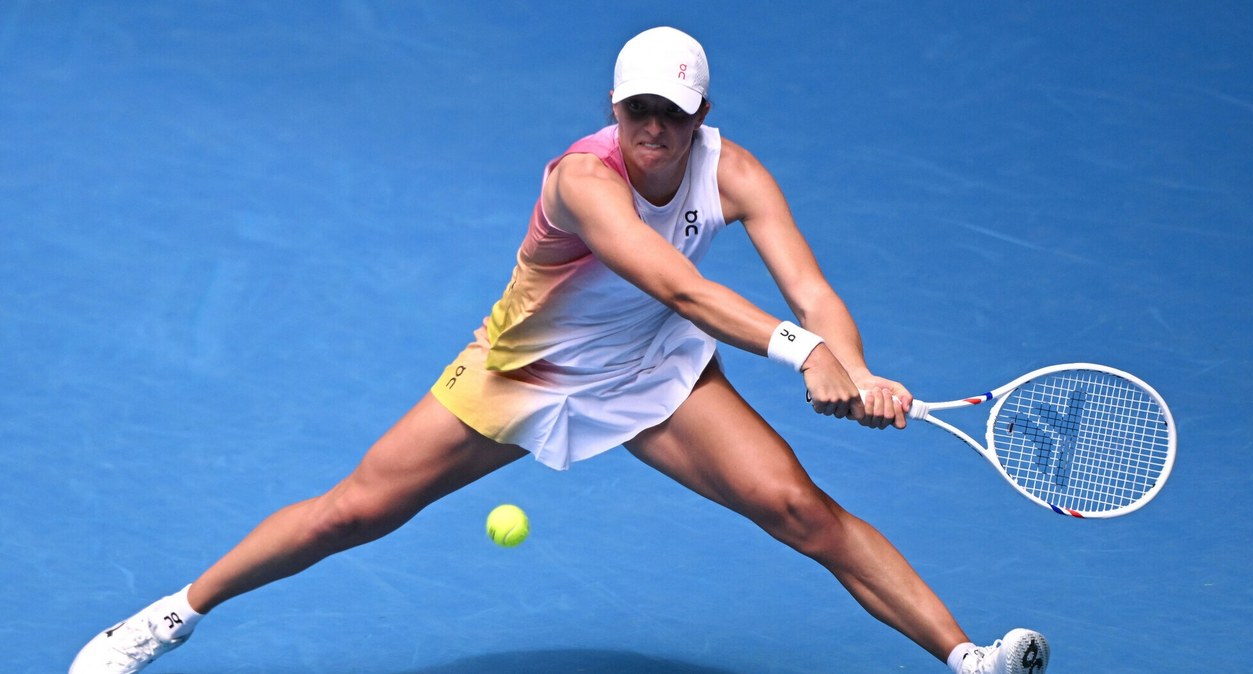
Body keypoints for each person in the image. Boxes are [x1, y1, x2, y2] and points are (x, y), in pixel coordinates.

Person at [69, 26, 1049, 674]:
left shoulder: (735, 172)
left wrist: (853, 362)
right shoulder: (583, 178)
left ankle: (963, 655)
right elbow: (678, 284)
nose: (650, 129)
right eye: (635, 111)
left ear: (701, 114)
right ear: (615, 109)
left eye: (669, 112)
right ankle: (169, 614)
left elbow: (813, 288)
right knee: (351, 511)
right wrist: (803, 355)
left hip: (656, 372)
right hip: (523, 371)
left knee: (797, 506)